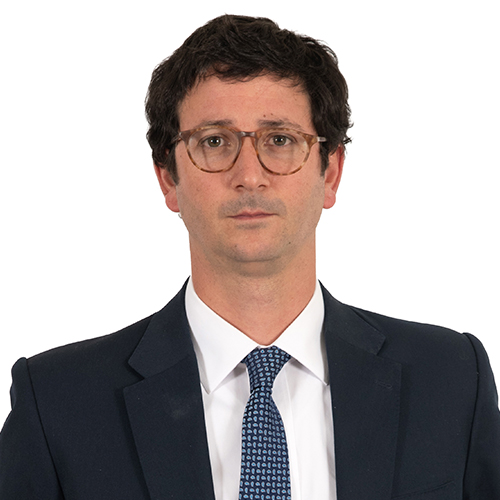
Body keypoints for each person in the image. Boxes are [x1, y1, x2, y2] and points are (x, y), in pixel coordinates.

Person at [0, 14, 498, 500]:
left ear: (330, 173)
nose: (249, 175)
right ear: (168, 178)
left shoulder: (452, 379)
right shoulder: (58, 402)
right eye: (214, 142)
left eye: (279, 140)